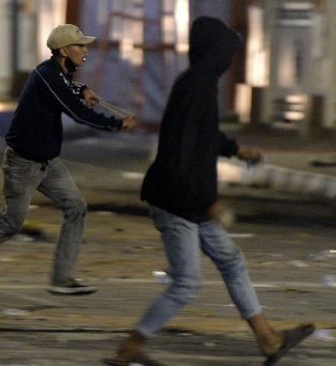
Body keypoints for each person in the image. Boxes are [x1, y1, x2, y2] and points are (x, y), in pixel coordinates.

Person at [104, 17, 313, 366]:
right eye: (226, 53)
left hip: (187, 201)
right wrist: (208, 201)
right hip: (177, 202)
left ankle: (268, 340)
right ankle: (129, 349)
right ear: (214, 53)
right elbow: (182, 153)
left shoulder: (198, 84)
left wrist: (234, 150)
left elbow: (203, 137)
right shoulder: (197, 87)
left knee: (231, 261)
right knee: (187, 283)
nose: (229, 61)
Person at [0, 24, 137, 299]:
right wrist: (116, 124)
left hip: (48, 163)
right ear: (64, 50)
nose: (85, 51)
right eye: (79, 46)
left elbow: (67, 90)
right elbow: (77, 113)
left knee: (76, 207)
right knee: (10, 223)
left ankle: (61, 279)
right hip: (23, 164)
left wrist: (82, 89)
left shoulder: (58, 74)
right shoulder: (46, 75)